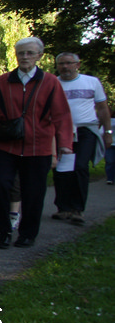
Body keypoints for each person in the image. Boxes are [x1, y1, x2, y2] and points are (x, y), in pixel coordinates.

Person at [0, 37, 72, 249]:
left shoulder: (50, 82)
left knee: (33, 191)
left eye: (30, 53)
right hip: (5, 144)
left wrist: (64, 143)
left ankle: (28, 234)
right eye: (21, 53)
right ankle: (4, 231)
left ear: (39, 56)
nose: (25, 57)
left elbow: (61, 114)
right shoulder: (4, 81)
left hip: (38, 146)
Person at [51, 52, 112, 224]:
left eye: (69, 63)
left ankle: (77, 209)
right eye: (61, 63)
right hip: (62, 131)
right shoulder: (54, 83)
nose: (65, 67)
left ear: (77, 65)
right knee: (62, 169)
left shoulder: (91, 82)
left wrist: (108, 132)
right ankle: (63, 207)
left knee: (80, 167)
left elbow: (102, 108)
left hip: (85, 130)